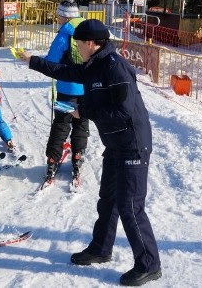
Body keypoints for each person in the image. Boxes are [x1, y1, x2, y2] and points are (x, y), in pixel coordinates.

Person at [20, 19, 161, 286]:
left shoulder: (115, 68)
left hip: (132, 143)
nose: (77, 49)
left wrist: (84, 112)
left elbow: (123, 112)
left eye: (79, 44)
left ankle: (149, 264)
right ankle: (101, 248)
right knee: (107, 199)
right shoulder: (93, 65)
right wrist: (32, 61)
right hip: (116, 145)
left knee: (130, 206)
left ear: (90, 43)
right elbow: (65, 71)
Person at [42, 0, 88, 183]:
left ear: (63, 16)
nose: (58, 19)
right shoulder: (87, 30)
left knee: (61, 123)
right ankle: (77, 156)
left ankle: (53, 159)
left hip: (66, 88)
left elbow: (52, 60)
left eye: (59, 16)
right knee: (81, 121)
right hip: (86, 88)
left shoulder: (64, 34)